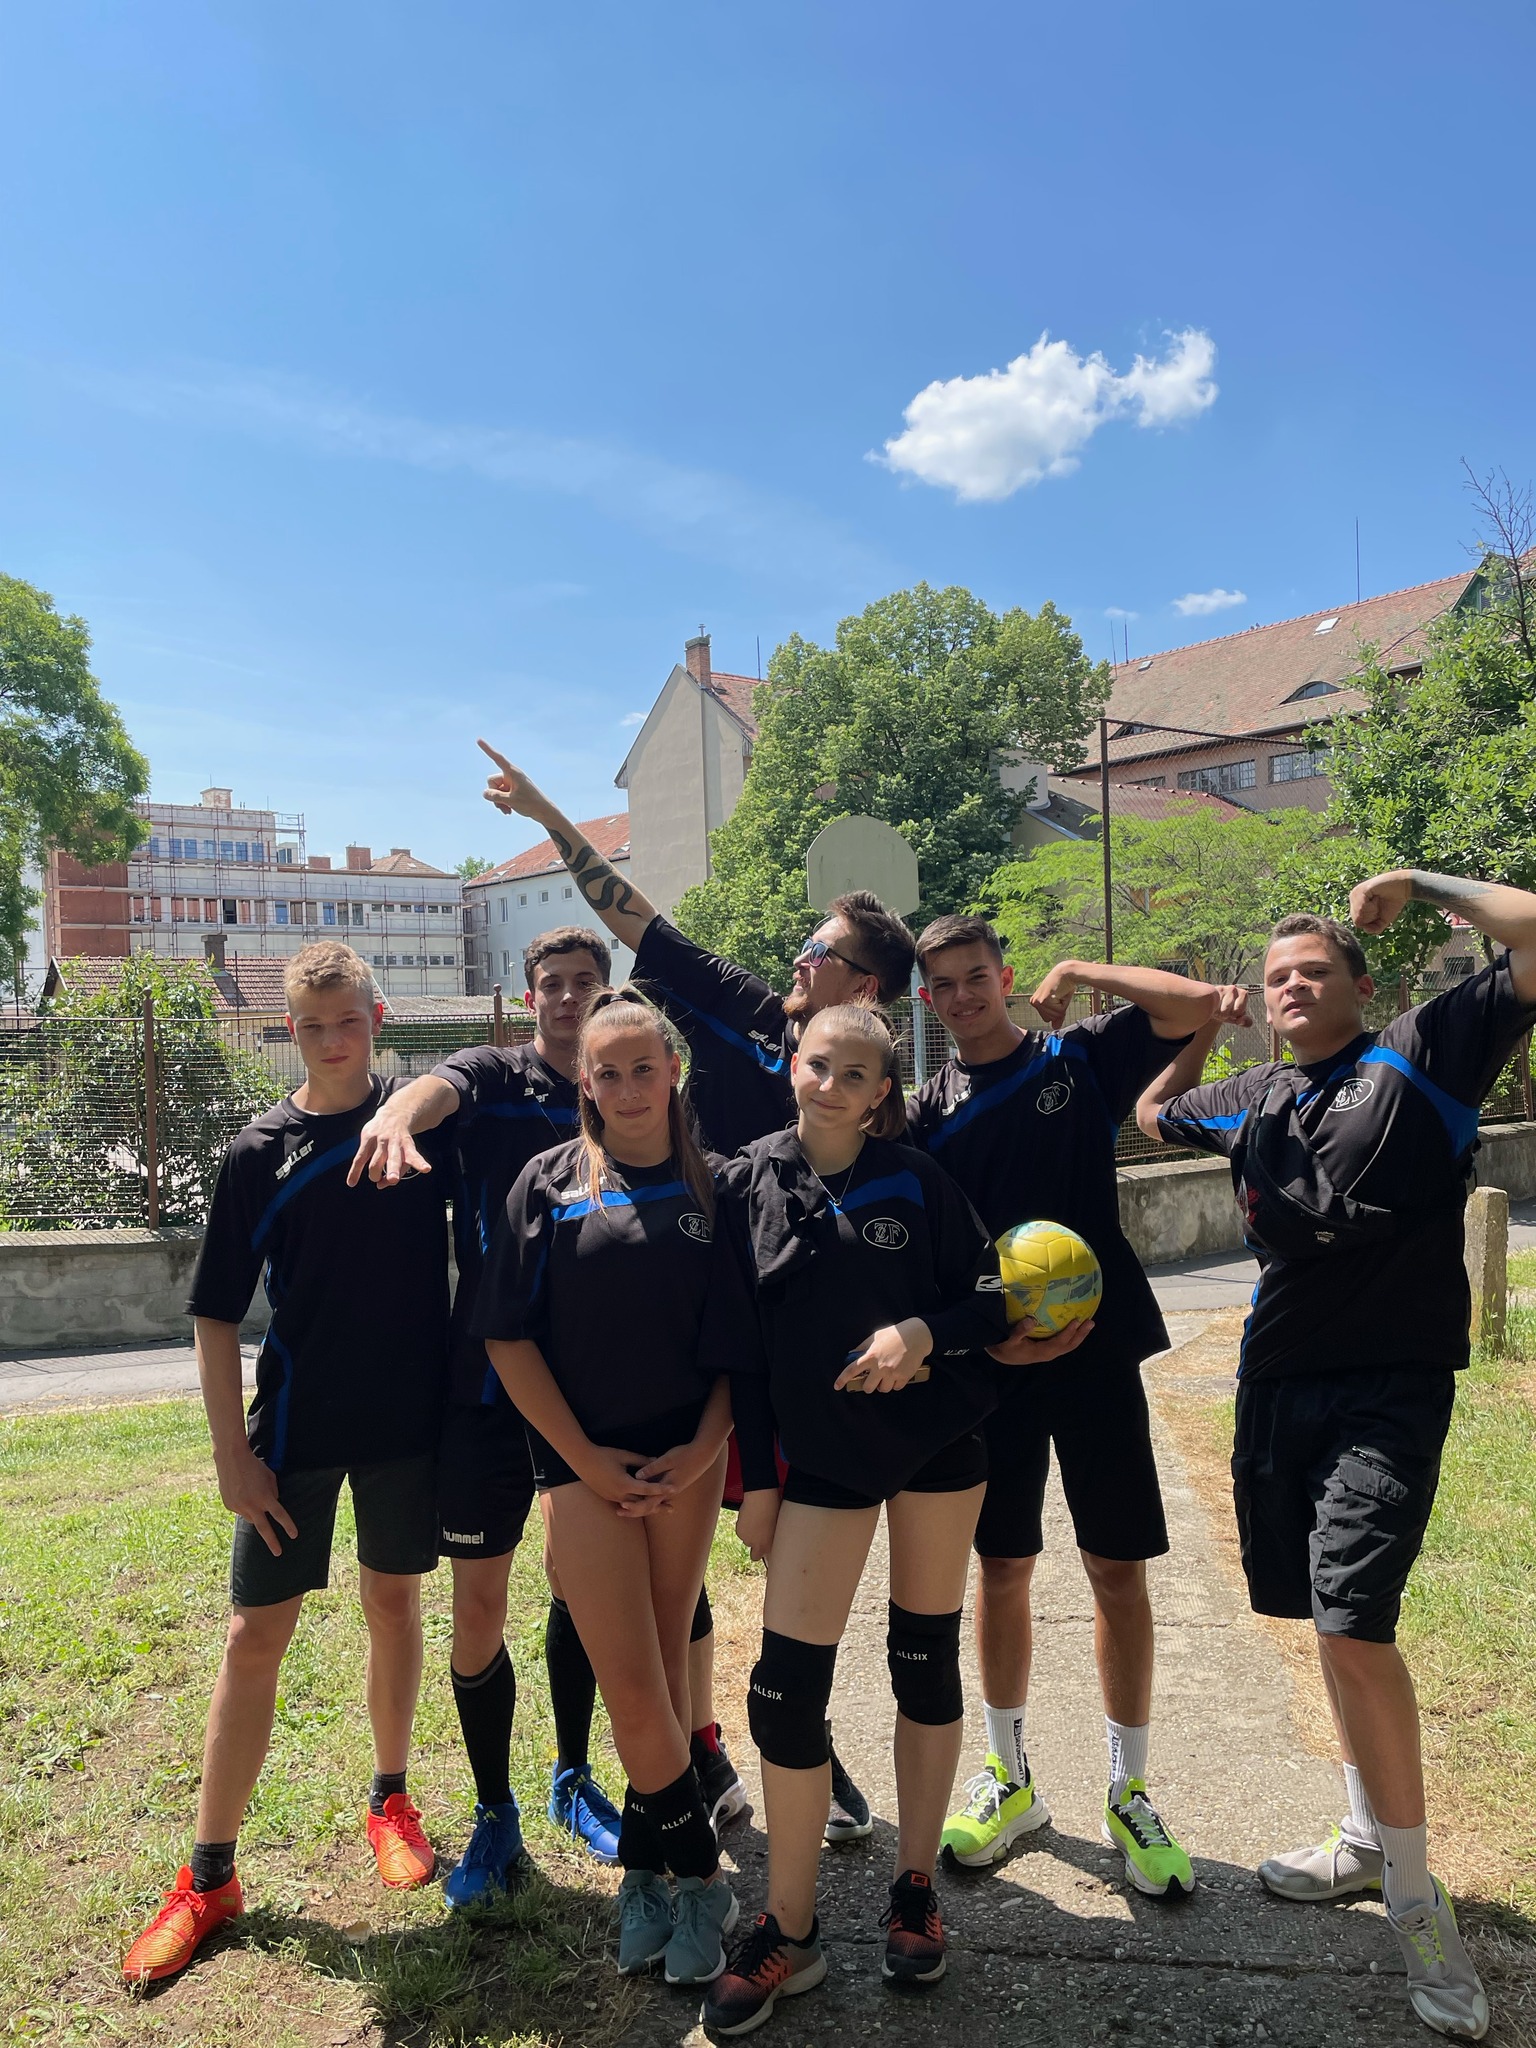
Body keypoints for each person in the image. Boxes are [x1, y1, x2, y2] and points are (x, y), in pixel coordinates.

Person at [1137, 870, 1536, 2043]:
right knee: (1324, 1616)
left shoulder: (1423, 1051)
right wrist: (1200, 1029)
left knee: (1357, 1624)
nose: (1294, 985)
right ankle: (1366, 1835)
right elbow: (1153, 1113)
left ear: (1362, 985)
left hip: (1391, 1387)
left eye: (1314, 970)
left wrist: (1421, 886)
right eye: (1277, 977)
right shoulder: (1252, 1094)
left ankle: (1416, 1899)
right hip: (1275, 1387)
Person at [477, 737, 890, 1838]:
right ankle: (693, 1752)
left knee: (796, 1557)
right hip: (697, 1318)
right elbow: (631, 916)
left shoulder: (880, 1099)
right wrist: (552, 816)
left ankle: (802, 1742)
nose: (800, 955)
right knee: (671, 1560)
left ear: (866, 989)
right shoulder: (748, 1011)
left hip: (800, 1349)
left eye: (822, 949)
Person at [123, 943, 449, 1984]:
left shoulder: (425, 1120)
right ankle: (209, 1874)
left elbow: (497, 1079)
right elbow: (215, 1313)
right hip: (295, 1432)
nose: (332, 1040)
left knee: (393, 1603)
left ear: (378, 1017)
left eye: (348, 1020)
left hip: (406, 1424)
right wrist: (234, 1457)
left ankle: (390, 1798)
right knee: (252, 1634)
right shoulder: (256, 1151)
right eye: (312, 1026)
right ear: (290, 1032)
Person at [702, 1003, 1010, 2035]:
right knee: (783, 1692)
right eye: (818, 1063)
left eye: (856, 1073)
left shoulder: (917, 1181)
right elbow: (741, 1353)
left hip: (938, 1445)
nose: (831, 1084)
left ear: (883, 1092)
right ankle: (789, 1928)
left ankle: (914, 1888)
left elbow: (991, 1305)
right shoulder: (746, 1181)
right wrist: (755, 1482)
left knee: (923, 1658)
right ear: (793, 1064)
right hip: (822, 1460)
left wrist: (920, 1332)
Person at [904, 917, 1224, 1896]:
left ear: (1005, 976)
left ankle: (1130, 1789)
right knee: (1001, 1568)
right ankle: (1009, 1778)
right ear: (927, 999)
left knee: (1117, 1569)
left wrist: (1081, 967)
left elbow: (1199, 1005)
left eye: (976, 976)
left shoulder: (1075, 1057)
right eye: (943, 985)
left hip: (1095, 1353)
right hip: (993, 1367)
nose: (963, 996)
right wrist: (984, 1340)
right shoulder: (923, 1112)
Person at [348, 927, 652, 1895]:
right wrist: (394, 1115)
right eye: (551, 984)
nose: (567, 997)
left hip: (590, 1389)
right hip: (482, 1388)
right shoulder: (495, 1075)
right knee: (478, 1606)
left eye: (584, 982)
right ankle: (495, 1814)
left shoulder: (623, 1093)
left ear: (607, 992)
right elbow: (435, 1090)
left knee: (579, 1588)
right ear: (528, 998)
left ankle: (573, 1776)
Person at [474, 989, 759, 1986]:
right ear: (584, 1081)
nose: (630, 1086)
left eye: (646, 1067)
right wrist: (586, 1463)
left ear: (673, 1071)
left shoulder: (720, 1184)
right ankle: (703, 1878)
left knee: (670, 1678)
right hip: (581, 1466)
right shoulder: (547, 1184)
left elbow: (741, 1350)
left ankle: (645, 1871)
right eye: (609, 1072)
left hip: (685, 1460)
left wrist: (704, 1451)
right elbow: (507, 1338)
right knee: (632, 1685)